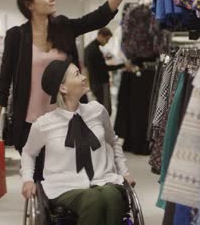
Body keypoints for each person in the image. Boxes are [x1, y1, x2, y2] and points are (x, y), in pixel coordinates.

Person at [0, 0, 142, 182]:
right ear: (29, 5)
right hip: (31, 122)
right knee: (39, 178)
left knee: (72, 178)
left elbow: (96, 18)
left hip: (66, 119)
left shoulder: (63, 27)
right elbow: (4, 78)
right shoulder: (17, 36)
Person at [21, 60, 135, 225]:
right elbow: (29, 152)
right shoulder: (44, 124)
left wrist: (124, 172)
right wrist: (27, 179)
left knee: (113, 196)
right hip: (64, 186)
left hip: (103, 179)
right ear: (63, 88)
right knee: (93, 199)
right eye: (77, 74)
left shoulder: (97, 111)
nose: (83, 78)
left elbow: (113, 141)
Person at [84, 27, 131, 115]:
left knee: (99, 107)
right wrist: (123, 65)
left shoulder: (89, 48)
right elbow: (104, 68)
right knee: (105, 109)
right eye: (107, 39)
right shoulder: (94, 50)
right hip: (100, 82)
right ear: (101, 36)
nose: (107, 42)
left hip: (95, 82)